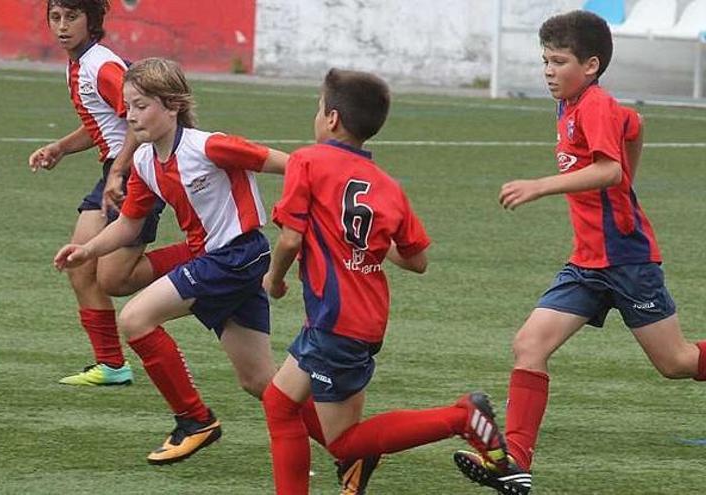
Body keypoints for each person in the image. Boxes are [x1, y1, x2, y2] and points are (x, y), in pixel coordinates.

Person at [453, 11, 706, 495]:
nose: (548, 70)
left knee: (675, 362)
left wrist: (543, 185)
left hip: (627, 259)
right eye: (545, 60)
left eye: (559, 61)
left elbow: (610, 170)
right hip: (587, 261)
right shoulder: (569, 103)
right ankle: (515, 461)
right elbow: (636, 124)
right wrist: (625, 174)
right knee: (530, 344)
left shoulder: (593, 105)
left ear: (590, 65)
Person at [53, 57, 337, 467]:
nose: (131, 116)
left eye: (141, 105)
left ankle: (195, 421)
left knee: (135, 319)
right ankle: (346, 448)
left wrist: (326, 197)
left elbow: (292, 165)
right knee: (261, 381)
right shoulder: (147, 162)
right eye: (128, 106)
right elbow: (129, 225)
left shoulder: (209, 146)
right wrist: (88, 250)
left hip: (237, 256)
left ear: (172, 106)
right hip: (220, 261)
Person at [260, 68, 510, 495]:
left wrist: (274, 278)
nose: (317, 116)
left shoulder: (306, 160)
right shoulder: (388, 186)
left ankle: (463, 417)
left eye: (318, 107)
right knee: (280, 402)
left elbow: (289, 238)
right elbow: (417, 260)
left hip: (335, 320)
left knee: (343, 440)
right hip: (360, 314)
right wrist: (370, 246)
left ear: (333, 118)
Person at [30, 1, 192, 386]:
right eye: (56, 17)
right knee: (79, 265)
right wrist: (60, 148)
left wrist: (120, 171)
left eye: (72, 17)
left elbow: (139, 121)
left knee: (115, 280)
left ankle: (208, 257)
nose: (63, 26)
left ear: (92, 21)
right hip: (115, 172)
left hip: (138, 172)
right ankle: (112, 366)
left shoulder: (102, 66)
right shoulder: (80, 64)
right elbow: (105, 123)